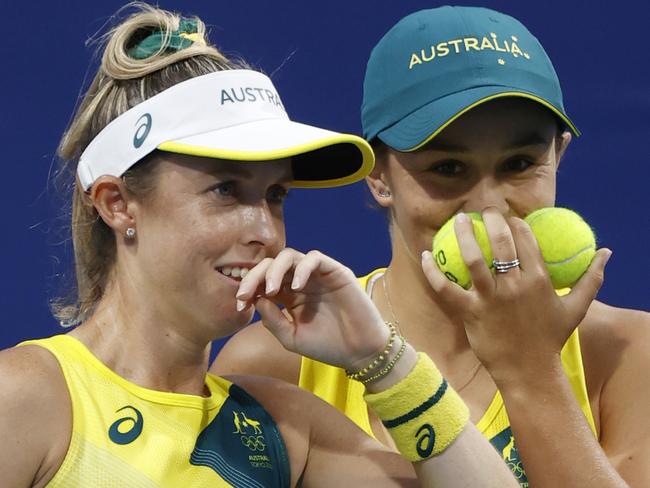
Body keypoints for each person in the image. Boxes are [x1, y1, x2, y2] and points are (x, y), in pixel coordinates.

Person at [0, 4, 522, 487]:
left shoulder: (283, 426)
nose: (267, 233)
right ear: (117, 204)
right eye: (225, 190)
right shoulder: (26, 396)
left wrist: (383, 358)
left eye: (274, 195)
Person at [213, 5, 650, 487]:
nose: (489, 206)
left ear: (558, 155)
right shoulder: (275, 363)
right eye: (447, 168)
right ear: (378, 176)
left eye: (520, 163)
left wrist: (531, 370)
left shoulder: (627, 351)